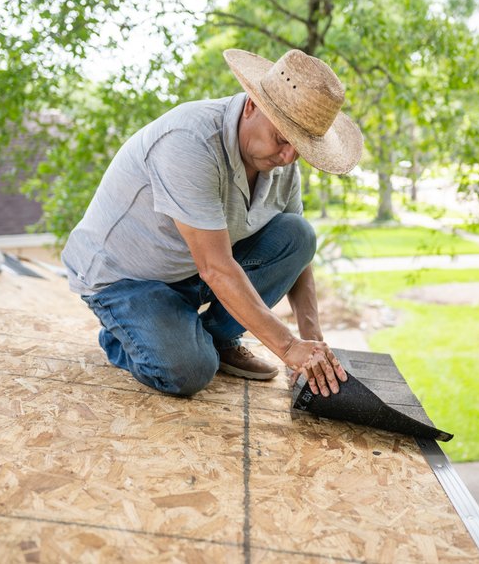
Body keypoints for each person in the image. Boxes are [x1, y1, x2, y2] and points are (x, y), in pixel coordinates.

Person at [62, 48, 364, 398]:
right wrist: (287, 347)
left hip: (190, 270)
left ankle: (215, 336)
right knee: (190, 371)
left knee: (298, 235)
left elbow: (298, 258)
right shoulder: (189, 141)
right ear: (252, 105)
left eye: (300, 149)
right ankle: (124, 336)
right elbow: (216, 268)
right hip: (125, 280)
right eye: (283, 139)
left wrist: (313, 344)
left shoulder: (283, 161)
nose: (287, 158)